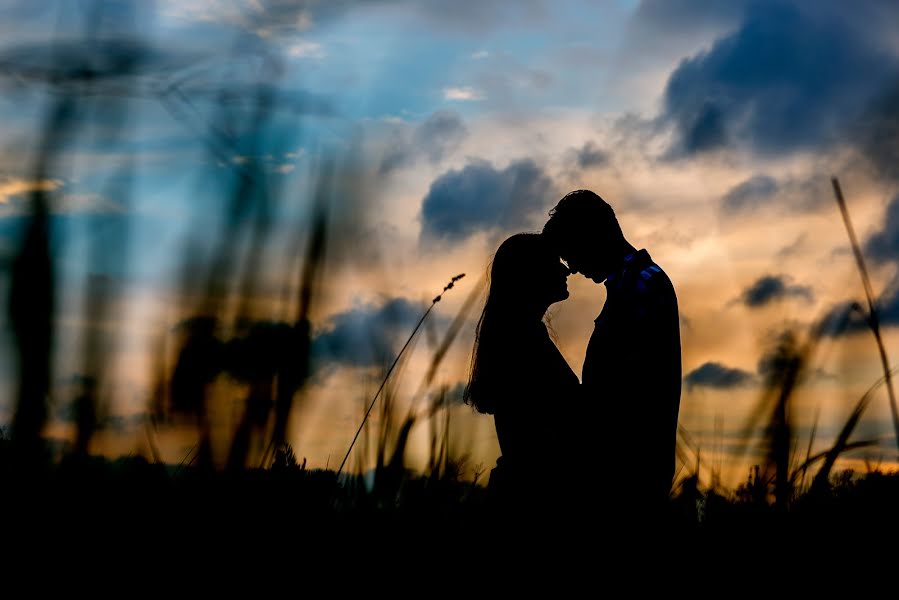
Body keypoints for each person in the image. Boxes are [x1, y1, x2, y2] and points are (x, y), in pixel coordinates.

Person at [542, 190, 681, 522]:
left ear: (592, 236)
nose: (572, 268)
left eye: (571, 253)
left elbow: (627, 390)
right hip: (623, 474)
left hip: (628, 477)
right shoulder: (630, 285)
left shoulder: (642, 285)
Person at [464, 232, 579, 514]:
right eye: (553, 262)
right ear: (531, 275)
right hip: (534, 499)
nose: (566, 269)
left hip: (523, 493)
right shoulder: (523, 341)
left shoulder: (517, 336)